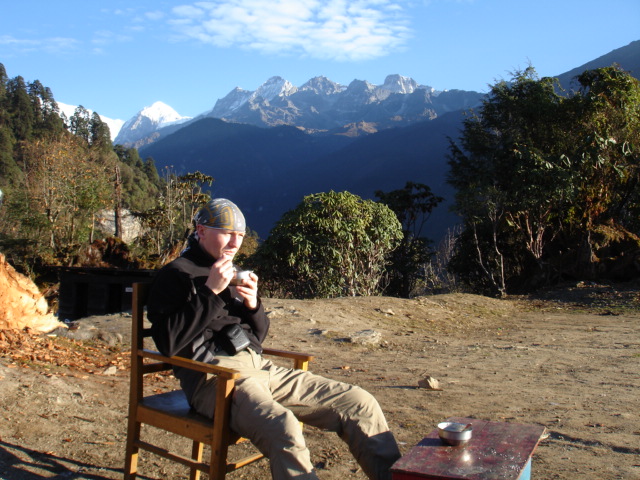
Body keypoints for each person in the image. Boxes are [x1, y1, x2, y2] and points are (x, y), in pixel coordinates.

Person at [147, 198, 401, 480]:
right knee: (283, 426)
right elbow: (168, 343)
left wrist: (252, 305)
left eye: (240, 235)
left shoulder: (230, 271)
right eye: (227, 233)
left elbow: (256, 339)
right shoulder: (176, 274)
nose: (235, 242)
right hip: (214, 378)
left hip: (260, 367)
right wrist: (210, 292)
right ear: (202, 230)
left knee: (359, 402)